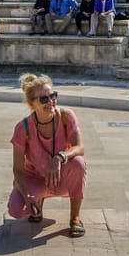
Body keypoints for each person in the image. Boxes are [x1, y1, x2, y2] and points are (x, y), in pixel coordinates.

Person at [9, 73, 87, 236]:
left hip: (60, 175)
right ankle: (37, 201)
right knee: (16, 210)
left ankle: (75, 218)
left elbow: (79, 148)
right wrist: (27, 196)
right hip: (36, 177)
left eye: (53, 96)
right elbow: (18, 169)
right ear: (32, 104)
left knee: (78, 163)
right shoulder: (23, 128)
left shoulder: (66, 116)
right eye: (44, 99)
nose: (50, 102)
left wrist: (59, 157)